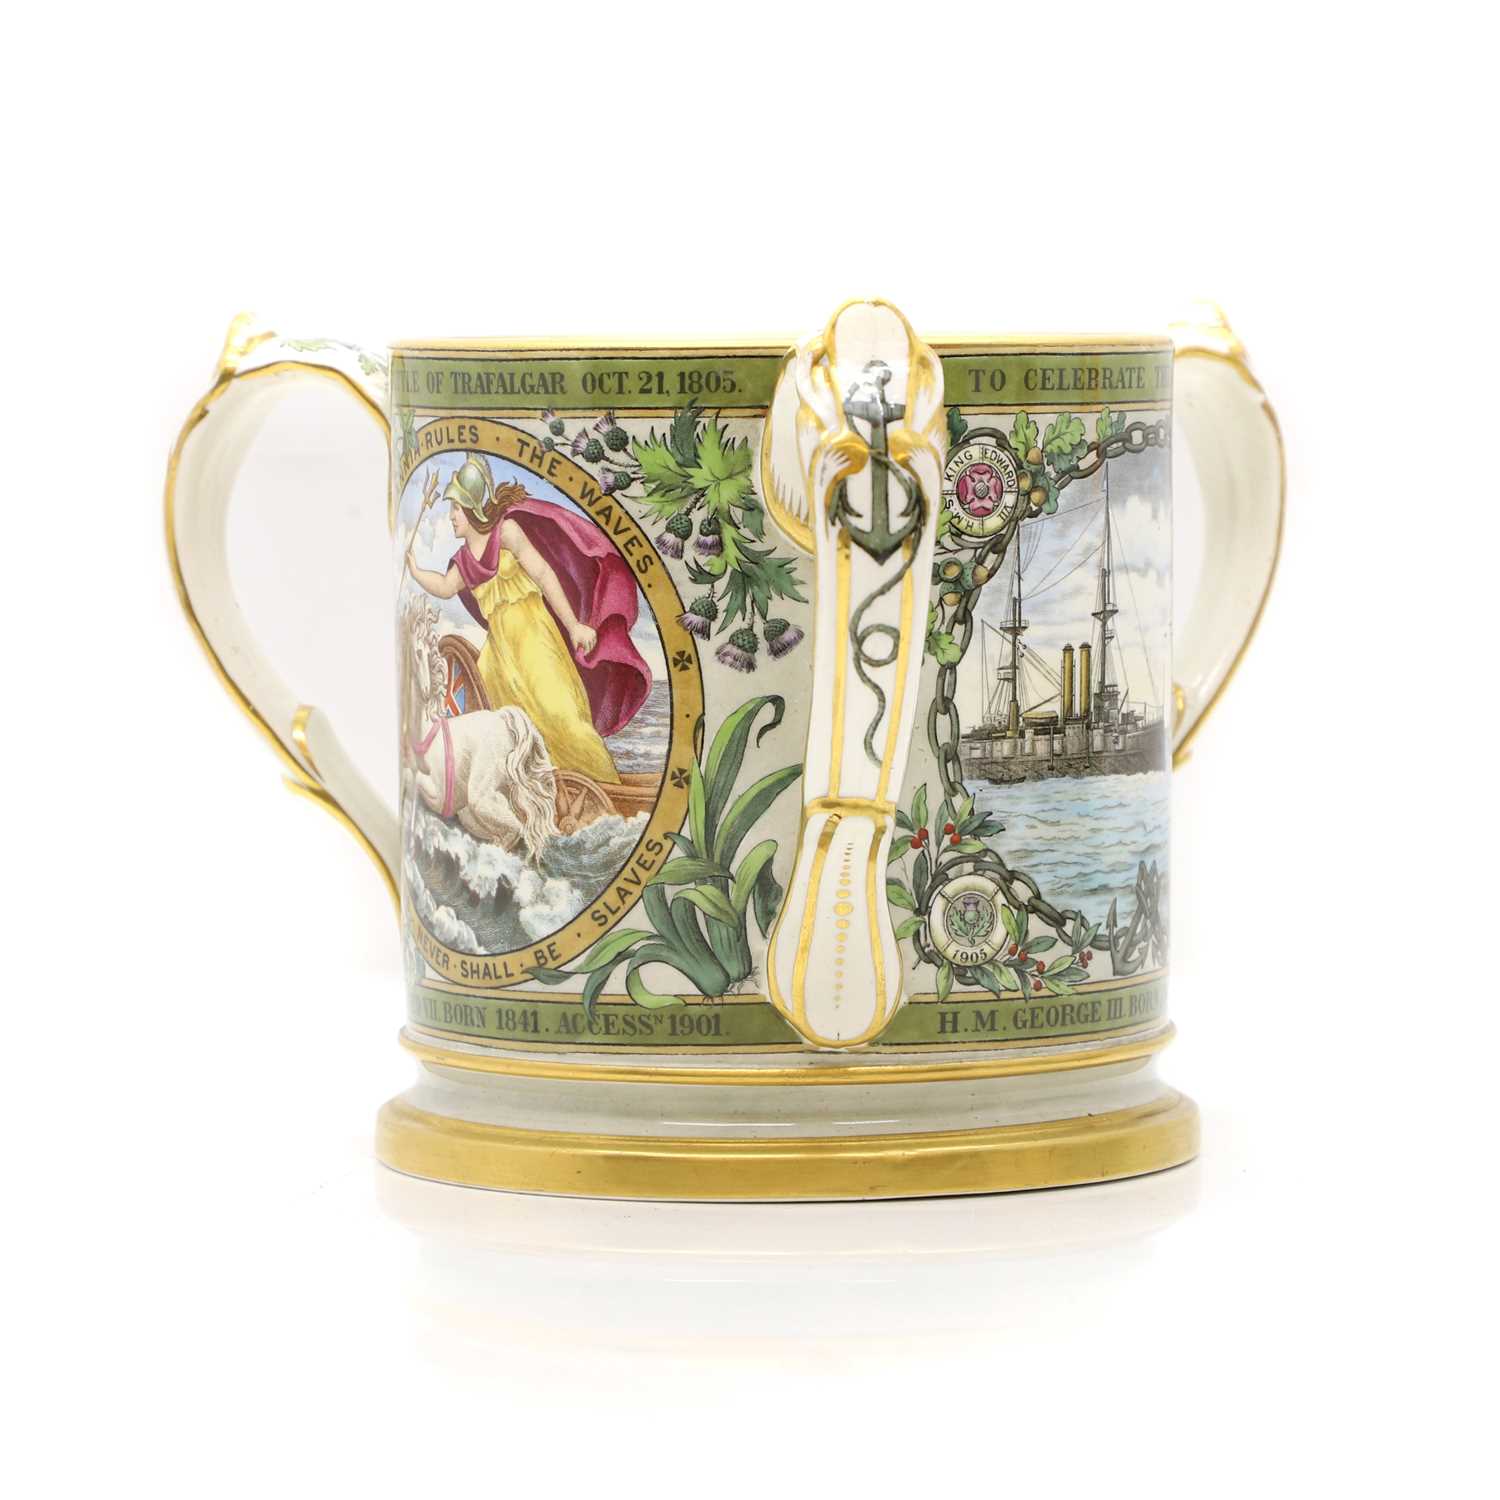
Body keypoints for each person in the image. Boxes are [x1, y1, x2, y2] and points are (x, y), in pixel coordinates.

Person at [405, 454, 649, 785]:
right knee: (501, 724)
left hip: (535, 639)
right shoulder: (463, 561)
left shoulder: (507, 532)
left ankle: (605, 787)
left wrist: (574, 625)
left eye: (456, 508)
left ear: (472, 507)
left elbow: (545, 575)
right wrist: (415, 570)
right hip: (500, 653)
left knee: (559, 713)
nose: (450, 517)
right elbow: (445, 588)